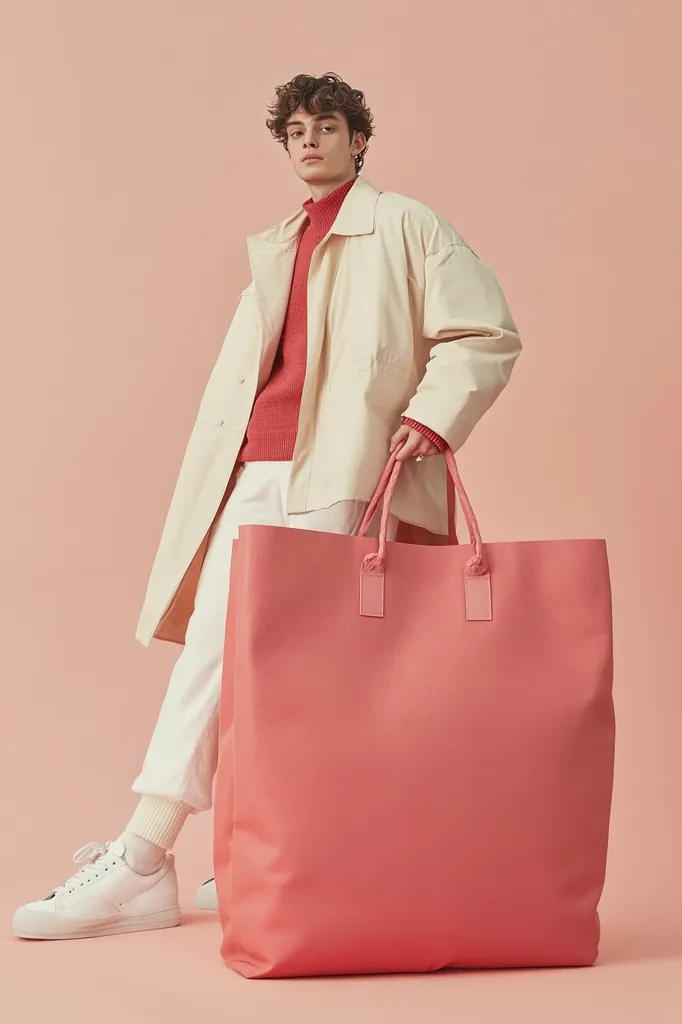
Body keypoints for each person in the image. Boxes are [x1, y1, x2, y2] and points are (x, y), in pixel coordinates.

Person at [13, 72, 522, 940]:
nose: (310, 141)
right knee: (222, 654)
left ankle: (154, 856)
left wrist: (431, 420)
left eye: (327, 126)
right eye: (295, 131)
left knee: (294, 666)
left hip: (344, 474)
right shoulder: (279, 244)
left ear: (361, 139)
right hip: (255, 473)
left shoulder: (407, 227)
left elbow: (485, 332)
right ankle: (207, 854)